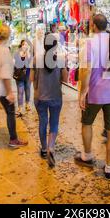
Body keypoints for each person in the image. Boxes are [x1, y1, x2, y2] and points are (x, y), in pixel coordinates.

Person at [74, 14, 110, 179]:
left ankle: (87, 155)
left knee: (86, 123)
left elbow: (86, 69)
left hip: (94, 93)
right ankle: (109, 167)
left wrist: (83, 92)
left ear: (94, 25)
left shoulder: (88, 43)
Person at [31, 33, 68, 167]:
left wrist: (36, 88)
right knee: (54, 123)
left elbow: (31, 79)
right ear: (55, 45)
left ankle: (44, 149)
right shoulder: (60, 59)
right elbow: (65, 79)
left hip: (40, 97)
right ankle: (51, 147)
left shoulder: (37, 58)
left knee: (42, 122)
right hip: (55, 96)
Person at [14, 40, 32, 116]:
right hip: (19, 75)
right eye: (23, 44)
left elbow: (31, 63)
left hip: (28, 74)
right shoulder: (17, 53)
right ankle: (20, 107)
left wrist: (27, 54)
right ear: (21, 45)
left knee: (27, 89)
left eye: (26, 45)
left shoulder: (30, 54)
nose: (25, 46)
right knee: (20, 91)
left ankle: (27, 104)